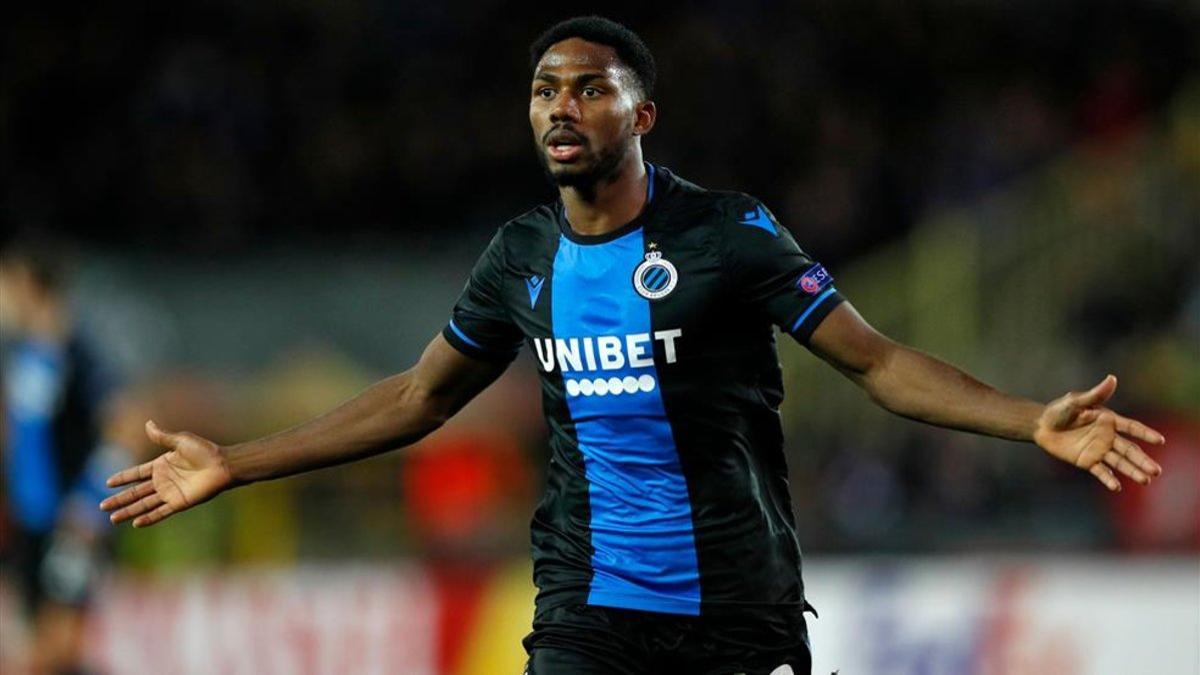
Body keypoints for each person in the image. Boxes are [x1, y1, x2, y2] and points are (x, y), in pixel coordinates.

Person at [99, 16, 1166, 675]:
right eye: (543, 89)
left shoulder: (729, 235)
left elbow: (877, 362)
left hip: (736, 603)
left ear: (642, 112)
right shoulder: (519, 257)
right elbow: (419, 398)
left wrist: (1029, 419)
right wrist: (237, 464)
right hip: (586, 602)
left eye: (589, 88)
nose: (561, 108)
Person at [1, 239, 135, 675]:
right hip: (30, 521)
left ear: (27, 285)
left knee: (54, 651)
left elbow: (128, 423)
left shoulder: (78, 350)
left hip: (70, 523)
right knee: (48, 650)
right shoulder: (26, 354)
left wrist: (91, 505)